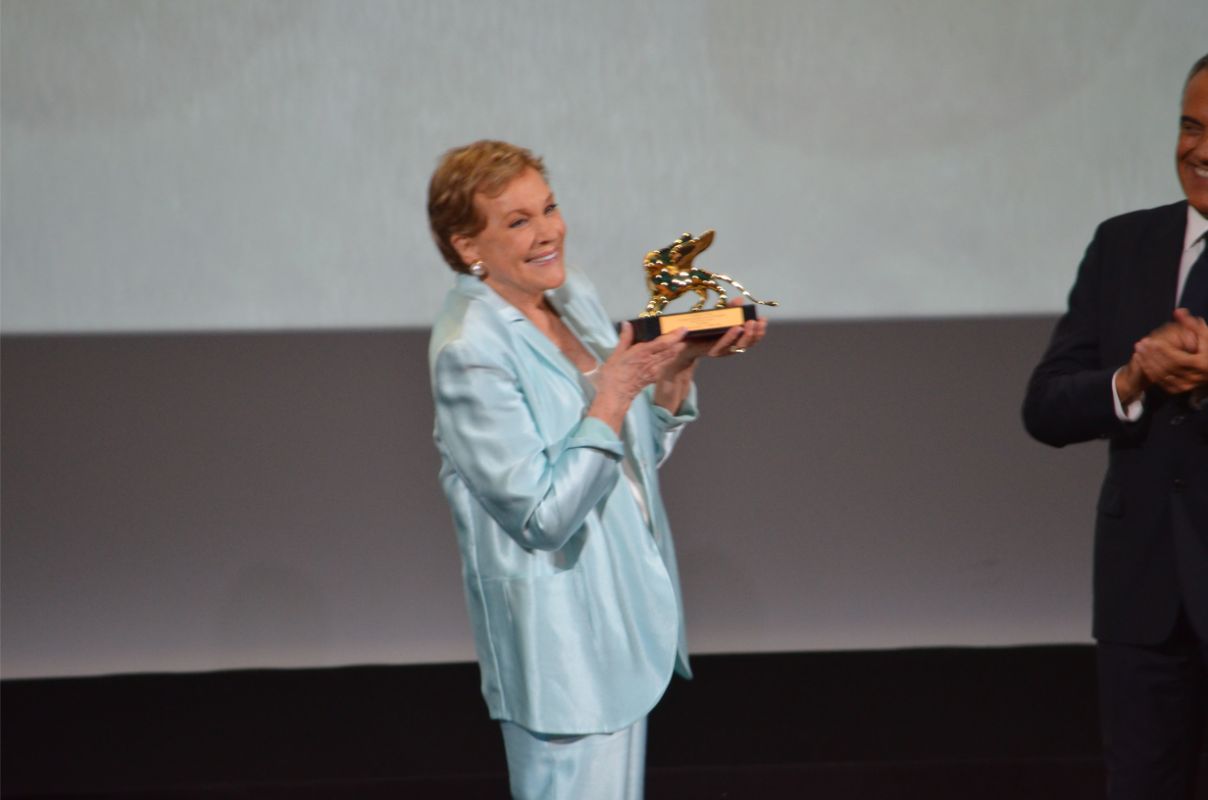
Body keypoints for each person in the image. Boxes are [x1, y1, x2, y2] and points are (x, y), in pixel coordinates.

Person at [426, 140, 766, 799]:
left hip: (619, 622)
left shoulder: (569, 295)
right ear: (467, 245)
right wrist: (615, 389)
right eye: (517, 221)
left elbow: (628, 461)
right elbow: (543, 517)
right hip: (562, 654)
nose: (548, 231)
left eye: (548, 208)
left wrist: (676, 369)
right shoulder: (469, 350)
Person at [1023, 54, 1208, 800]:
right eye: (1190, 127)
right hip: (1144, 596)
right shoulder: (1124, 244)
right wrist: (1131, 380)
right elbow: (1045, 406)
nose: (1200, 151)